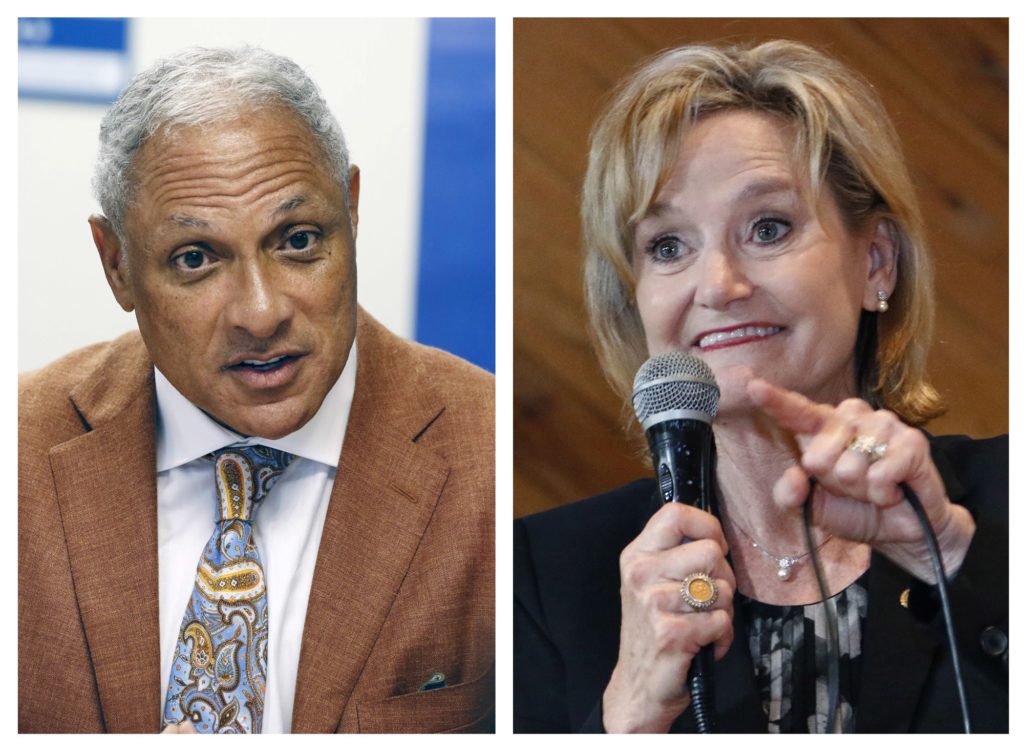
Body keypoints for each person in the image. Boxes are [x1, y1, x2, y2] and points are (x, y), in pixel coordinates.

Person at [513, 40, 1007, 733]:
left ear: (875, 262)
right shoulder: (544, 577)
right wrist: (629, 712)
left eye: (768, 228)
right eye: (668, 246)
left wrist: (950, 557)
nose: (718, 285)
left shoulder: (1003, 504)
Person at [19, 46, 494, 734]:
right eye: (196, 258)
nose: (261, 312)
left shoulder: (489, 454)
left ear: (351, 210)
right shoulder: (20, 451)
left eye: (297, 240)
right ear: (116, 264)